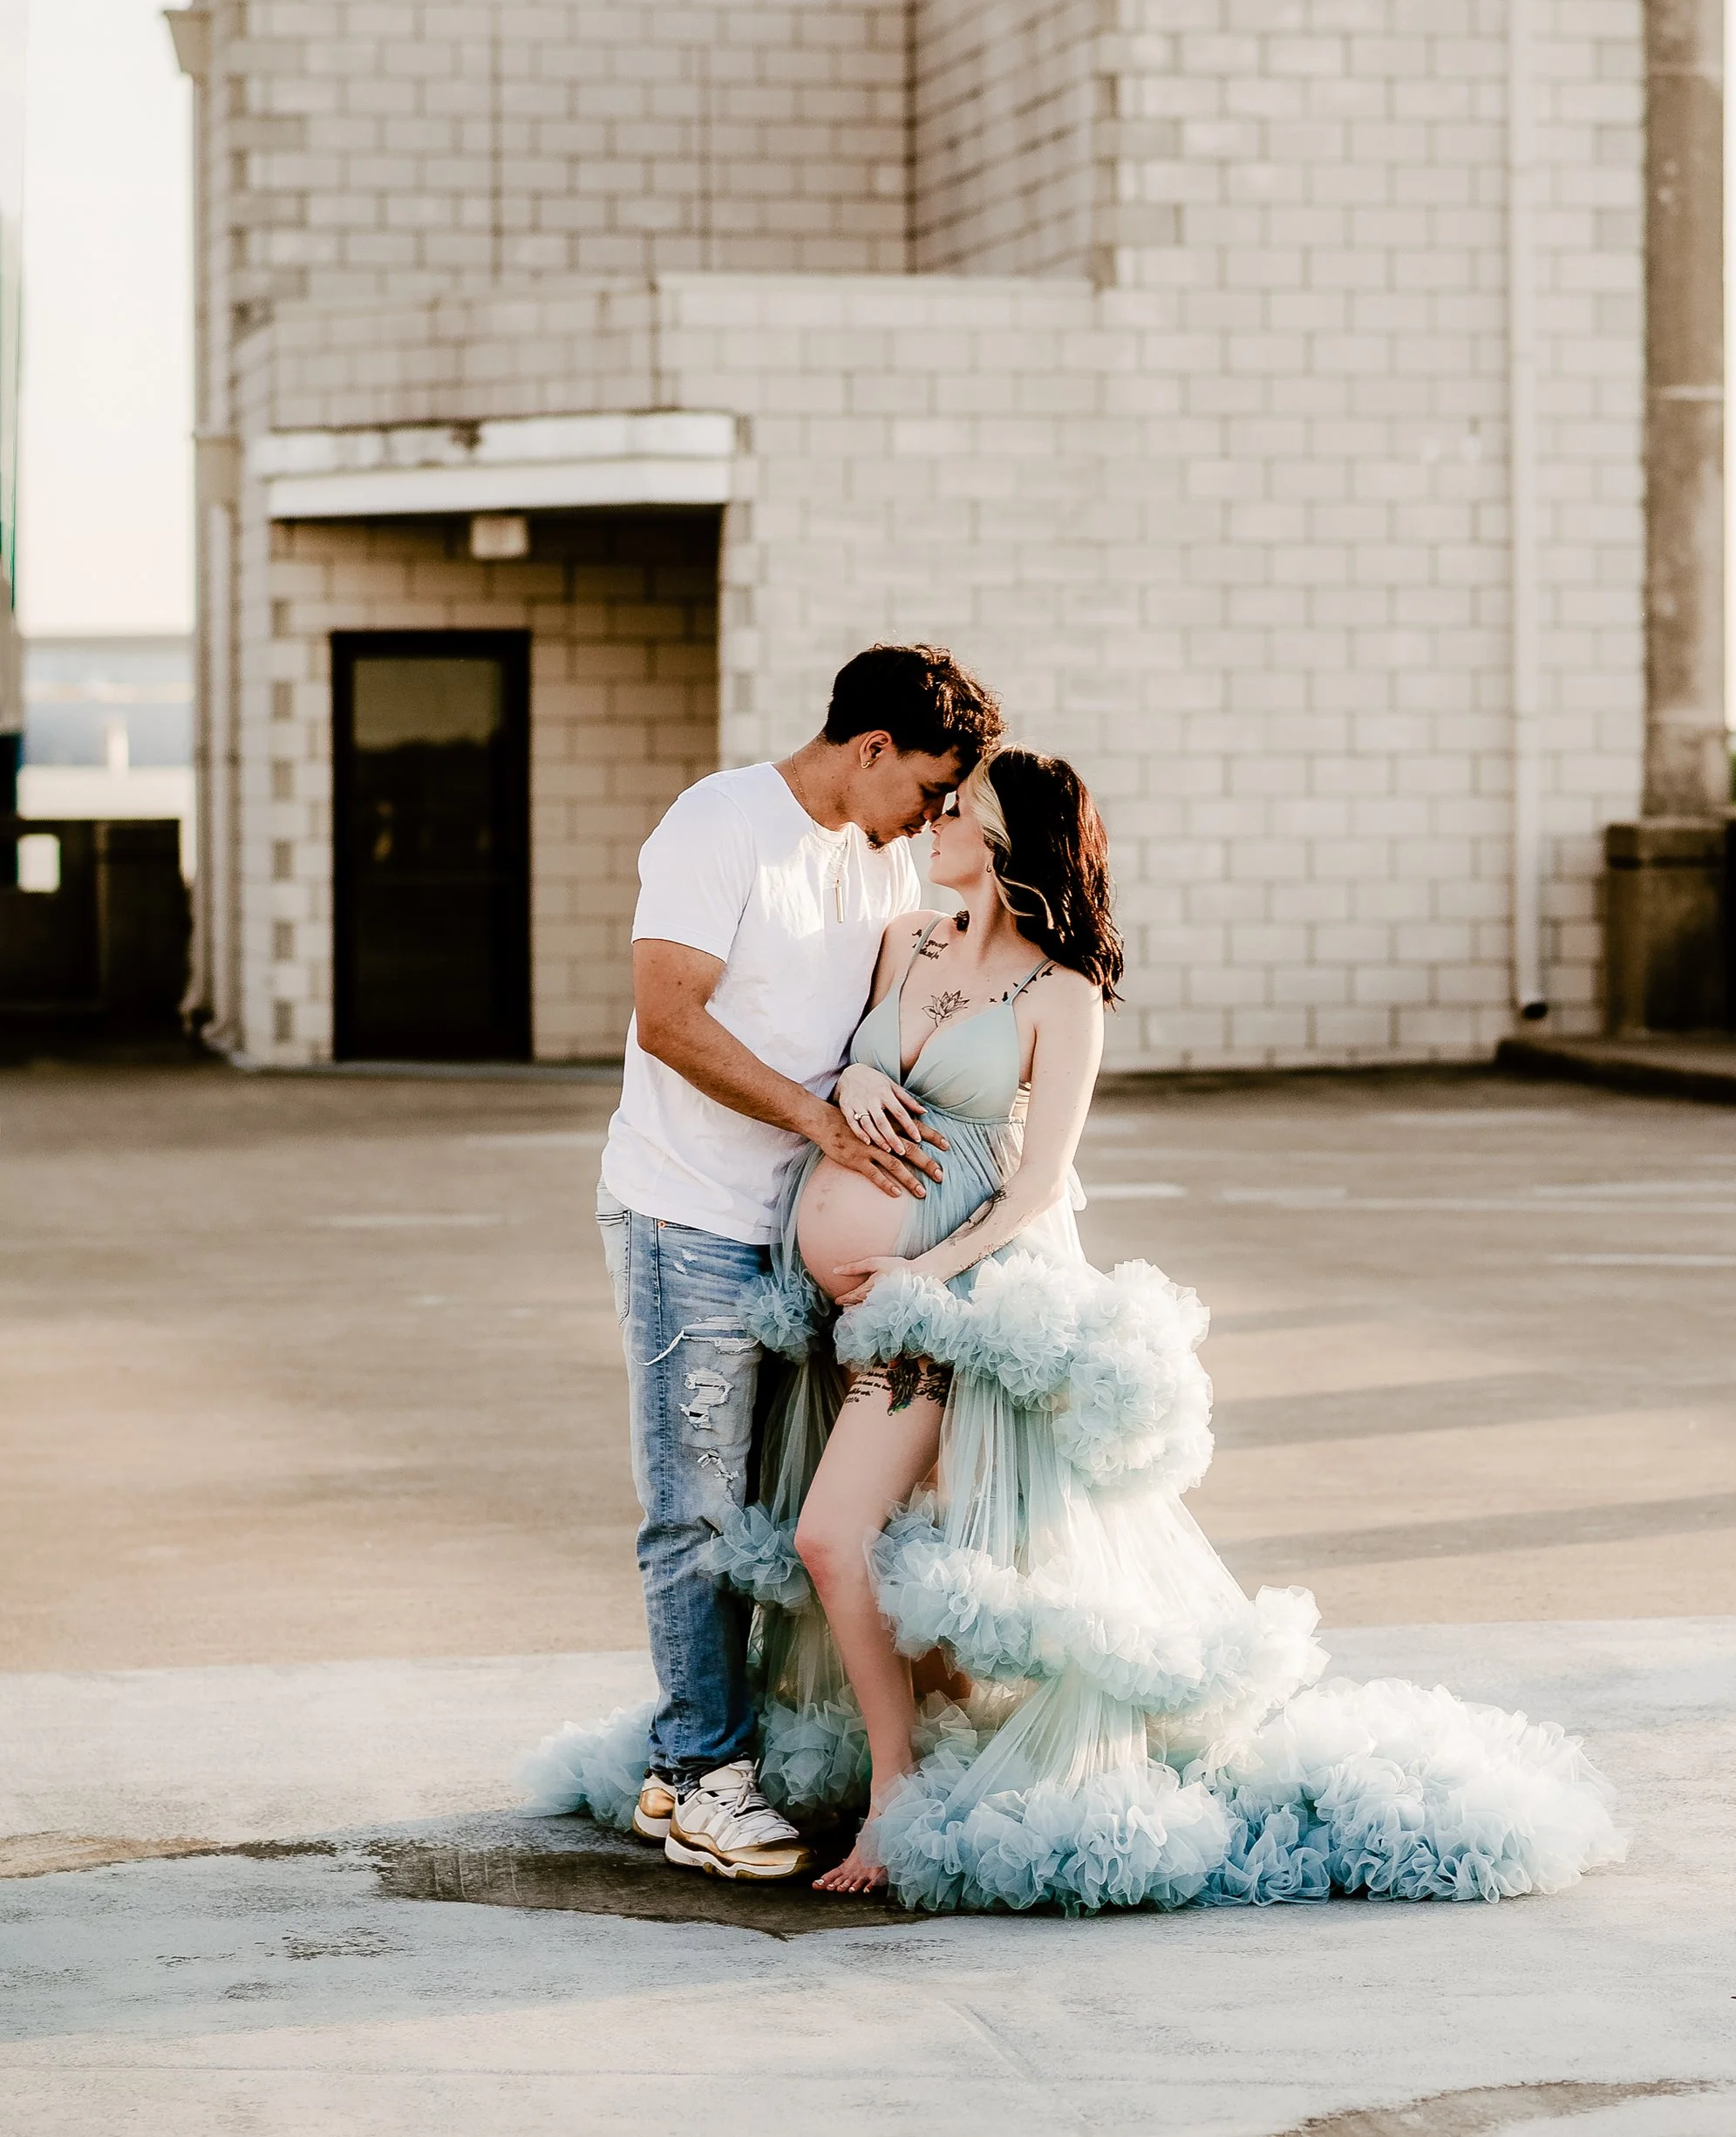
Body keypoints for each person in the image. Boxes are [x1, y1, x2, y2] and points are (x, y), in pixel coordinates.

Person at [529, 746, 1624, 1916]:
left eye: (960, 810)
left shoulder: (1060, 996)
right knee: (926, 1555)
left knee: (834, 1539)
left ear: (1009, 846)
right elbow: (837, 1063)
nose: (934, 823)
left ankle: (901, 1794)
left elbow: (1041, 1181)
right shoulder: (908, 941)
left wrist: (927, 1282)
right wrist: (848, 1089)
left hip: (958, 1309)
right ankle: (935, 1759)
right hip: (847, 1311)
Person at [586, 642, 1003, 1883]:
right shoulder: (721, 823)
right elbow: (669, 1019)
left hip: (797, 1247)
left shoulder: (876, 861)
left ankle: (695, 1766)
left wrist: (871, 1075)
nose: (930, 818)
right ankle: (708, 1774)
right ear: (871, 749)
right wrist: (821, 1118)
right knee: (698, 1506)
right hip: (690, 1218)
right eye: (927, 788)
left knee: (778, 1513)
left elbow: (896, 1005)